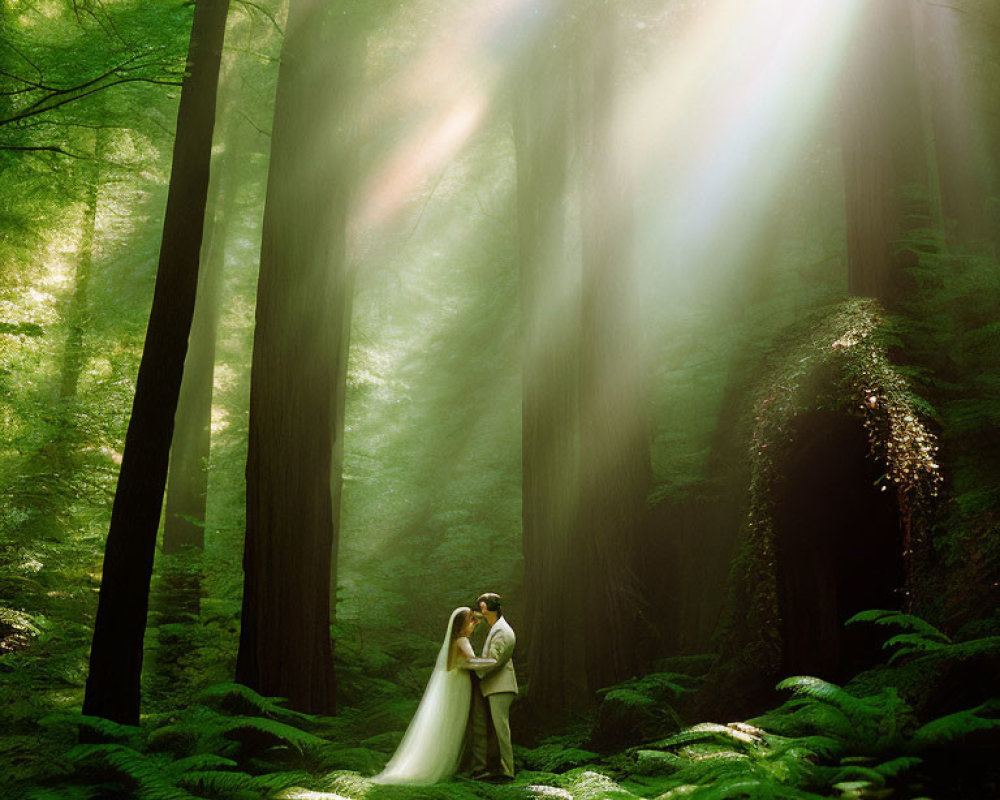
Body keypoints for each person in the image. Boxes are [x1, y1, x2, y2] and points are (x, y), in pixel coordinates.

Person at [372, 607, 495, 785]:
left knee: (446, 722)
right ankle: (445, 763)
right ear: (463, 624)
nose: (473, 625)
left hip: (453, 682)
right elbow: (471, 662)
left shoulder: (454, 641)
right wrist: (492, 661)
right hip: (459, 685)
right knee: (453, 723)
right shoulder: (462, 640)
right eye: (471, 621)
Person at [469, 592, 518, 781]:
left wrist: (471, 666)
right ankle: (499, 769)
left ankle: (507, 771)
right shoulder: (497, 628)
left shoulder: (502, 630)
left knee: (501, 730)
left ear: (485, 608)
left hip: (501, 686)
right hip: (496, 685)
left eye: (480, 607)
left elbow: (494, 660)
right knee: (496, 729)